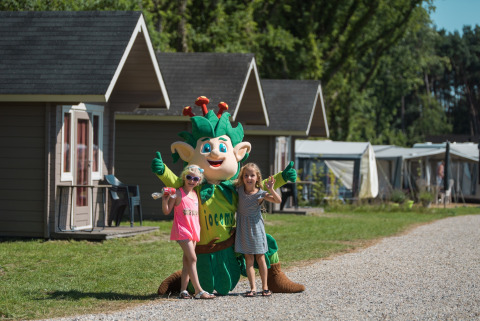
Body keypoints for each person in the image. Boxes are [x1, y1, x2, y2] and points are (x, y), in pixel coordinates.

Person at [162, 165, 215, 300]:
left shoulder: (195, 195)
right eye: (189, 177)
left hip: (193, 231)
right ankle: (198, 290)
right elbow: (167, 211)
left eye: (195, 179)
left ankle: (183, 290)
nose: (191, 181)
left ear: (199, 181)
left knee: (187, 261)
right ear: (184, 177)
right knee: (193, 258)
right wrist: (164, 199)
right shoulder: (178, 193)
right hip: (182, 230)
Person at [235, 163, 282, 297]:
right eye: (246, 175)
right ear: (242, 177)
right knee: (248, 258)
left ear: (257, 177)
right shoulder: (239, 189)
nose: (249, 178)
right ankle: (253, 288)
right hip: (243, 228)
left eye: (252, 175)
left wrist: (271, 189)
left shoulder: (260, 193)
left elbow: (278, 200)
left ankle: (265, 287)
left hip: (256, 229)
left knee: (261, 257)